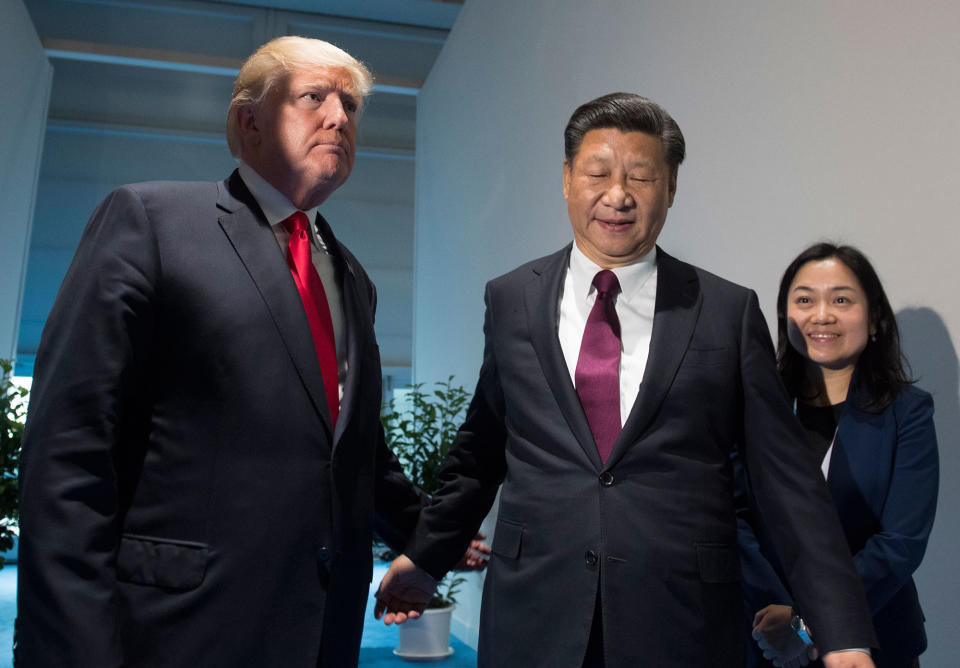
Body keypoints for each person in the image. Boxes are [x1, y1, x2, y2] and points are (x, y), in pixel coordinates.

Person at [373, 93, 878, 668]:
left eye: (641, 176)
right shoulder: (512, 298)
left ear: (671, 188)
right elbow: (482, 452)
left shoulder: (725, 310)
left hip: (682, 620)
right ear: (567, 179)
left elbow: (784, 482)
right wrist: (424, 556)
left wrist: (843, 634)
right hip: (534, 615)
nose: (618, 195)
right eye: (598, 173)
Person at [16, 36, 437, 667]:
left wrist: (433, 537)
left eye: (350, 104)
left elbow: (352, 448)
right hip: (174, 630)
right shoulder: (150, 222)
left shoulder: (352, 277)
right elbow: (69, 456)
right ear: (249, 120)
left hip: (323, 633)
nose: (339, 118)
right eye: (314, 97)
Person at [740, 243, 938, 668]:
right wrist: (774, 611)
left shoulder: (908, 411)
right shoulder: (751, 407)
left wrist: (809, 622)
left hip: (876, 636)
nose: (822, 315)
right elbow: (731, 515)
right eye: (805, 300)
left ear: (873, 320)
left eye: (842, 299)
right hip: (763, 640)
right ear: (784, 316)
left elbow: (901, 543)